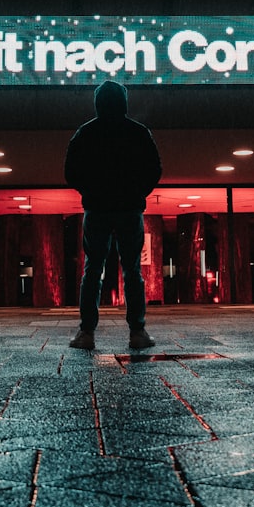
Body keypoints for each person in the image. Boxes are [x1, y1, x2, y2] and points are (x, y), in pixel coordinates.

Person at [64, 80, 162, 350]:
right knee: (132, 270)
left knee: (92, 269)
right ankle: (137, 331)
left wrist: (91, 191)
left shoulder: (86, 132)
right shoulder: (138, 132)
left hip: (97, 208)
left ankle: (87, 332)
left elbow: (71, 172)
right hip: (129, 208)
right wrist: (136, 192)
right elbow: (154, 169)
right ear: (124, 102)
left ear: (97, 103)